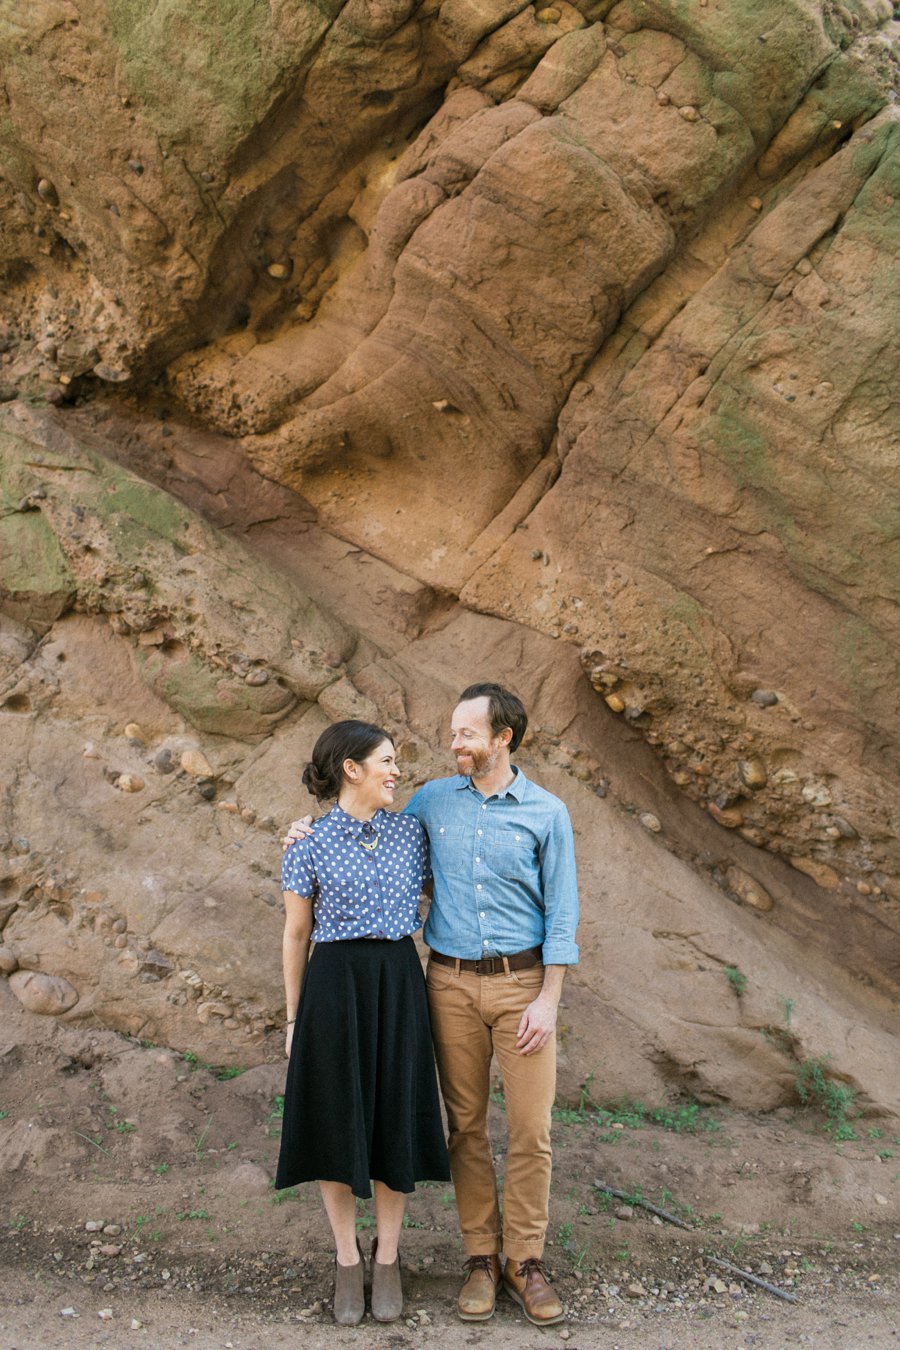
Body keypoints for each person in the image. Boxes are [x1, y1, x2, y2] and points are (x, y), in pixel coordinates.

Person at [287, 683, 579, 1327]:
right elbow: (367, 852)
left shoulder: (547, 812)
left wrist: (550, 999)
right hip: (444, 984)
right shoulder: (429, 804)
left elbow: (564, 915)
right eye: (453, 731)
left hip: (523, 985)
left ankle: (524, 1263)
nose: (454, 744)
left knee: (531, 1131)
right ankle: (479, 1258)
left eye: (467, 733)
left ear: (503, 738)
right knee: (464, 1128)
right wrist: (309, 830)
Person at [276, 719, 450, 1327]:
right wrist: (294, 1018)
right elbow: (296, 935)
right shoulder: (308, 842)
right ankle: (348, 1258)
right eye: (387, 761)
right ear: (352, 768)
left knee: (394, 1111)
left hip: (398, 979)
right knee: (336, 1116)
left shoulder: (412, 831)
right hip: (333, 984)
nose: (396, 771)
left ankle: (390, 1259)